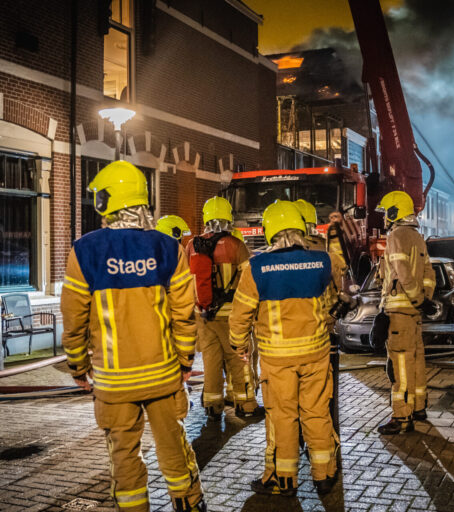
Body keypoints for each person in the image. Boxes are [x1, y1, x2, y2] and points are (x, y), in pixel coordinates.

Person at [61, 160, 206, 512]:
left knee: (124, 456)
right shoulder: (166, 248)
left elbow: (74, 318)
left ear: (107, 202)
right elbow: (184, 315)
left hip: (113, 383)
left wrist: (78, 366)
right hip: (162, 375)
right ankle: (188, 502)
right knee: (173, 445)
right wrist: (186, 361)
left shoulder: (84, 251)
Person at [229, 201, 342, 497]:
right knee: (317, 412)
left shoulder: (257, 267)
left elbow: (240, 314)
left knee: (283, 416)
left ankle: (284, 479)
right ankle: (325, 474)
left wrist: (239, 345)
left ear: (270, 232)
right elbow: (333, 302)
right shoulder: (322, 260)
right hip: (317, 353)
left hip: (277, 358)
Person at [186, 196, 259, 419]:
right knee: (238, 359)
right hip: (230, 314)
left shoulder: (192, 245)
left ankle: (212, 405)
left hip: (203, 315)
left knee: (211, 361)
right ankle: (245, 405)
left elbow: (186, 280)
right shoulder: (236, 245)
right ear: (229, 219)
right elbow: (250, 281)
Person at [375, 191, 437, 435]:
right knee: (416, 361)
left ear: (394, 212)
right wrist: (425, 300)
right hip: (414, 313)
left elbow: (401, 272)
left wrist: (416, 298)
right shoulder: (417, 237)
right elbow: (429, 273)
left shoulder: (396, 236)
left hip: (399, 312)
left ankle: (401, 416)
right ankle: (419, 407)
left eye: (385, 212)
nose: (383, 218)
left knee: (400, 364)